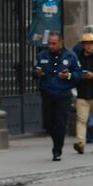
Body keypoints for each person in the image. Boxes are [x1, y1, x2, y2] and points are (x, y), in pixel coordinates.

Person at [33, 31, 79, 161]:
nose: (51, 46)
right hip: (47, 93)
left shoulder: (70, 56)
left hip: (63, 94)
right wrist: (37, 73)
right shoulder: (42, 55)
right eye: (49, 43)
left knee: (60, 123)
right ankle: (57, 140)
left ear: (60, 43)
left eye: (54, 43)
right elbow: (34, 71)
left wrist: (68, 75)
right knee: (47, 123)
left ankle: (57, 150)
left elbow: (78, 73)